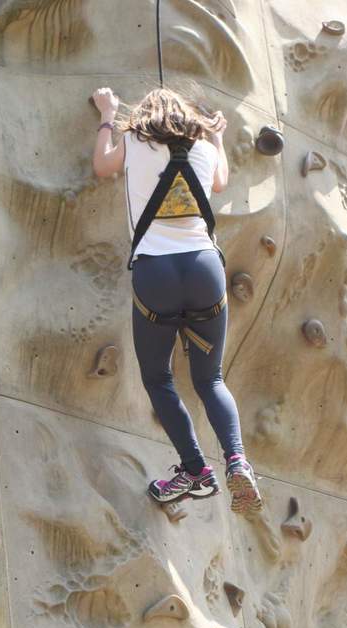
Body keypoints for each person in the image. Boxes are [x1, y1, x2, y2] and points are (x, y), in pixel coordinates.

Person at [91, 85, 262, 514]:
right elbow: (221, 181)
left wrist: (108, 113)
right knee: (211, 380)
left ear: (144, 116)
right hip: (204, 268)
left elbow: (101, 166)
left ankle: (195, 470)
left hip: (156, 272)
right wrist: (218, 137)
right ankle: (237, 461)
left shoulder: (134, 141)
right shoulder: (203, 147)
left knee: (158, 378)